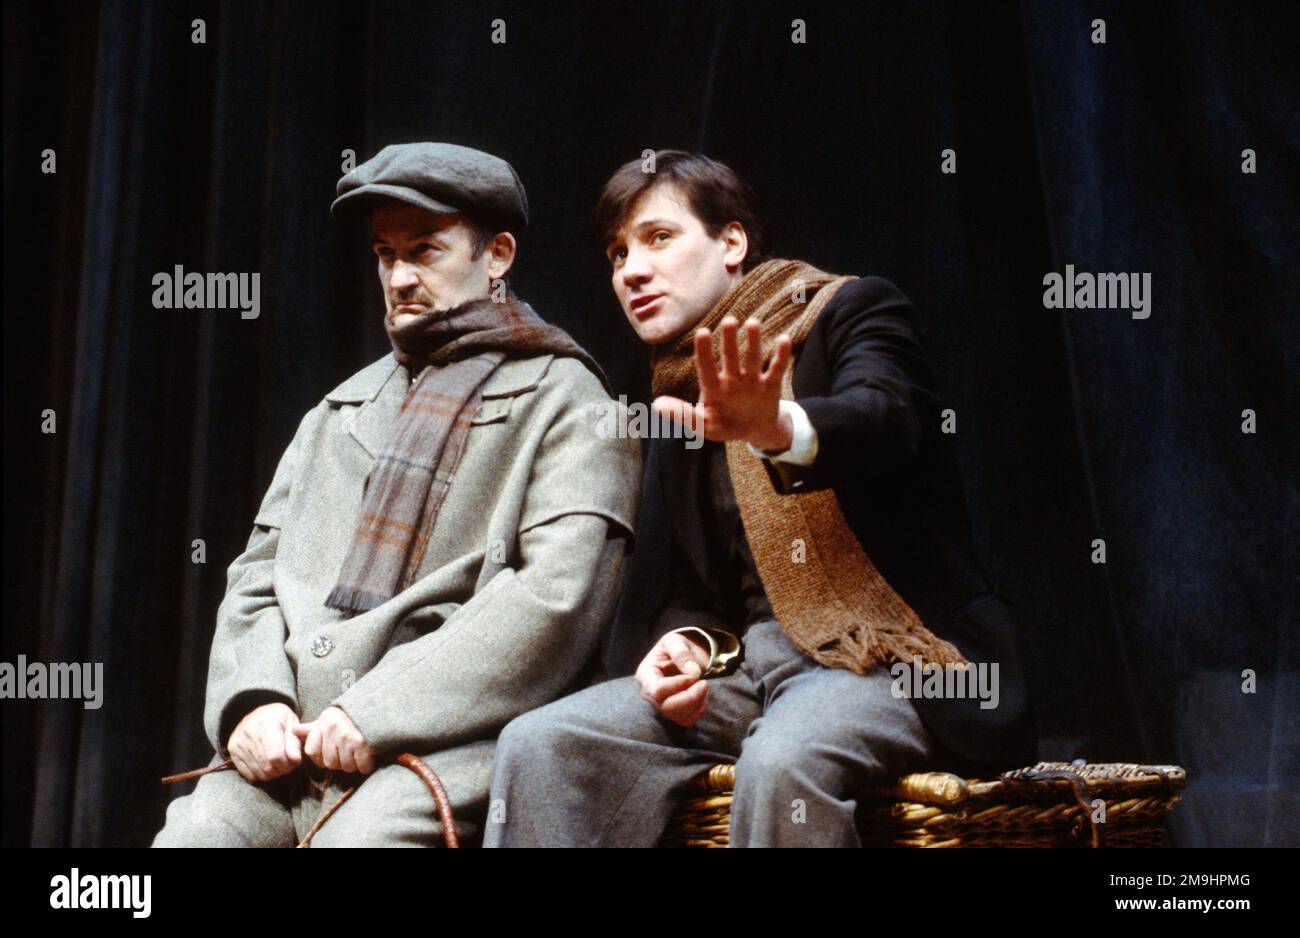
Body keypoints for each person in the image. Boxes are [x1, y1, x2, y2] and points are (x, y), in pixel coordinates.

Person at [484, 150, 1036, 847]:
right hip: (751, 670)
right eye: (617, 253)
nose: (631, 270)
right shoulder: (678, 392)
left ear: (732, 242)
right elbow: (694, 591)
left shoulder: (853, 308)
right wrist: (684, 647)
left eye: (658, 238)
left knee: (782, 762)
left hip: (897, 661)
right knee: (541, 742)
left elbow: (888, 416)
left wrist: (777, 428)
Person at [152, 142, 640, 847]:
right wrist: (253, 703)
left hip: (450, 746)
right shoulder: (340, 410)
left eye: (426, 251)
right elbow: (256, 576)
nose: (401, 277)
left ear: (497, 254)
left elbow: (553, 600)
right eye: (386, 254)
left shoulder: (570, 403)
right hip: (296, 749)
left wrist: (376, 711)